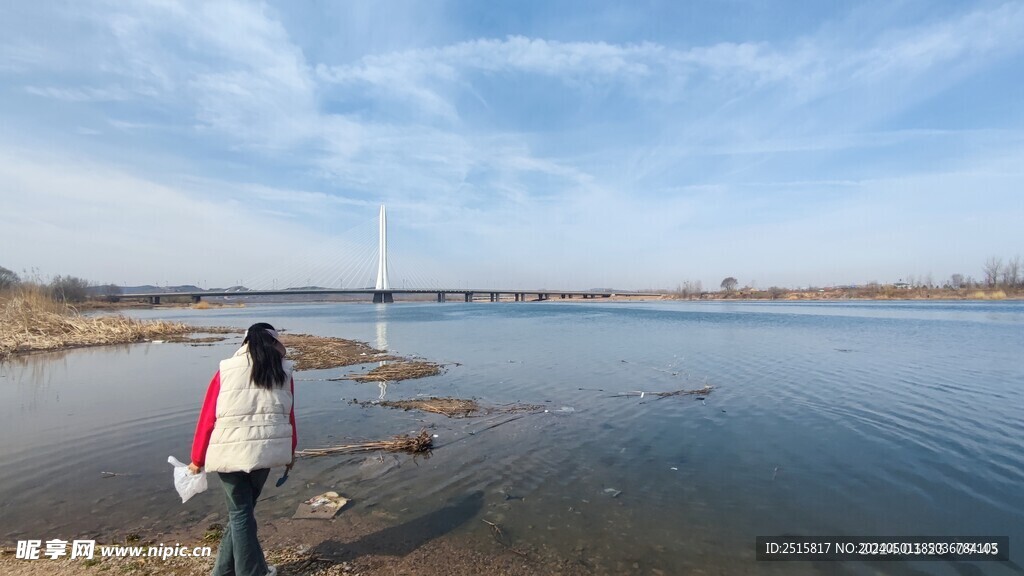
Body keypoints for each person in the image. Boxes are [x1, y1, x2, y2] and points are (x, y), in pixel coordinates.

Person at [189, 322, 297, 576]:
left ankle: (234, 572)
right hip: (266, 451)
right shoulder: (283, 372)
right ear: (274, 342)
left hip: (228, 452)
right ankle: (246, 571)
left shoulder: (226, 369)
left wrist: (197, 457)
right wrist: (290, 452)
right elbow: (289, 416)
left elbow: (208, 416)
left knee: (240, 514)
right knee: (242, 513)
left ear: (245, 342)